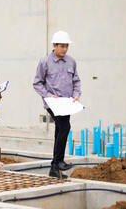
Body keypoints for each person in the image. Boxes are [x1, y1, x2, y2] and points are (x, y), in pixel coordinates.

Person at [33, 30, 81, 178]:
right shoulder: (45, 62)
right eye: (62, 46)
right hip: (53, 104)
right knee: (65, 127)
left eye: (67, 46)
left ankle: (54, 169)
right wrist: (49, 95)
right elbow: (37, 83)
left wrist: (76, 94)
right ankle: (59, 161)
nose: (65, 49)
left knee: (59, 130)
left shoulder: (71, 61)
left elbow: (76, 81)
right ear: (54, 45)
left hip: (67, 103)